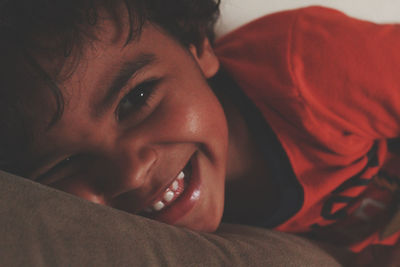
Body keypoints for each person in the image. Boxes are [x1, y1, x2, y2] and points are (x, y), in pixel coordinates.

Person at [0, 0, 399, 259]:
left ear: (197, 46)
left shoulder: (309, 67)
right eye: (67, 162)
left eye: (137, 99)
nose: (131, 171)